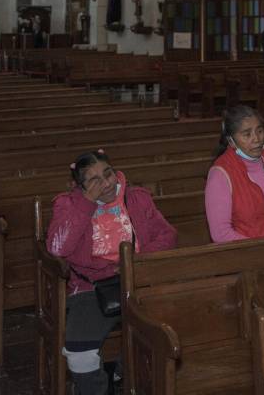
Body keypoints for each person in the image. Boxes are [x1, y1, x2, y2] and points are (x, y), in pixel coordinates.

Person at [47, 150, 178, 395]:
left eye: (108, 174)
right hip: (91, 286)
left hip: (137, 279)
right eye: (94, 180)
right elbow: (57, 247)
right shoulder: (69, 204)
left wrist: (134, 261)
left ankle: (122, 374)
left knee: (164, 331)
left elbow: (167, 234)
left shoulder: (135, 197)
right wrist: (87, 202)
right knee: (80, 353)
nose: (106, 184)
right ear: (80, 186)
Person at [204, 105, 264, 243]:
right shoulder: (220, 174)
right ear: (231, 141)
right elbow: (221, 233)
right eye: (247, 134)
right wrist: (261, 249)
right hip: (244, 252)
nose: (256, 139)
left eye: (259, 131)